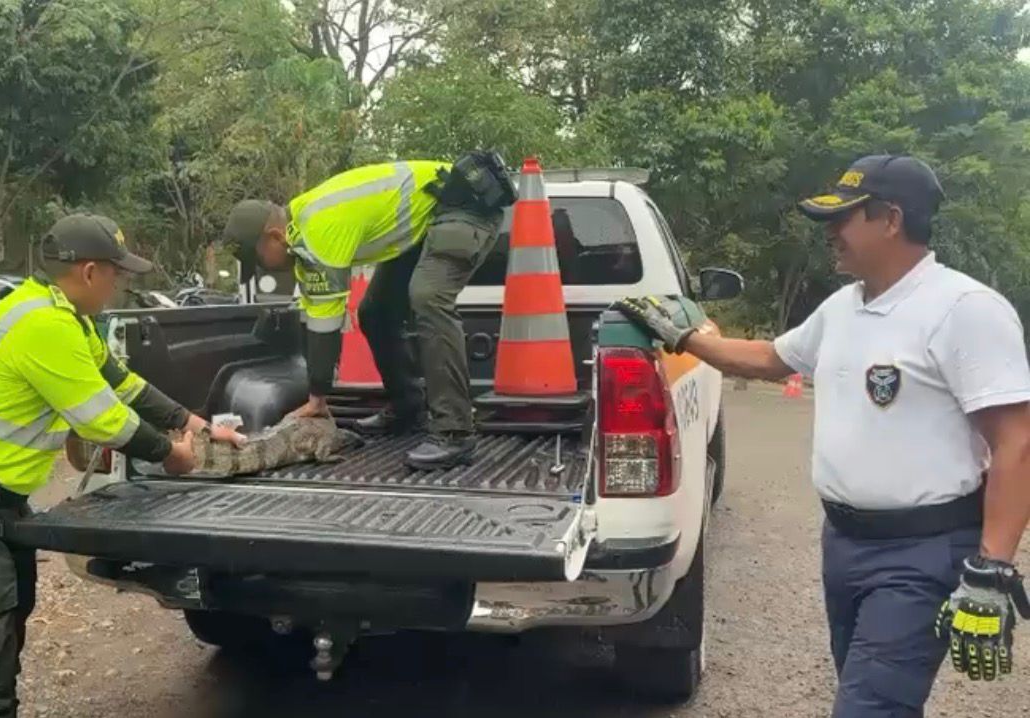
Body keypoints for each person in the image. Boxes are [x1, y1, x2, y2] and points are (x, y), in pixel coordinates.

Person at [613, 155, 1030, 717]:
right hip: (846, 544)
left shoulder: (965, 311)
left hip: (923, 553)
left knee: (868, 707)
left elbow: (1017, 443)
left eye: (845, 219)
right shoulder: (844, 307)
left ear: (890, 219)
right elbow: (769, 358)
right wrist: (685, 336)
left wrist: (992, 570)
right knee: (871, 695)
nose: (831, 233)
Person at [0, 213, 245, 718]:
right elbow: (104, 421)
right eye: (118, 275)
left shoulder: (67, 317)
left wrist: (199, 424)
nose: (120, 285)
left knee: (0, 645)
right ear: (90, 272)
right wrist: (172, 456)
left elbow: (124, 384)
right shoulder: (43, 325)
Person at [223, 154, 514, 469]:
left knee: (429, 298)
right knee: (375, 312)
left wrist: (317, 400)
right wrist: (316, 395)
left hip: (463, 206)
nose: (265, 267)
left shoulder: (320, 229)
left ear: (275, 238)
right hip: (422, 225)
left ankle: (455, 432)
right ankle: (407, 407)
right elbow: (315, 320)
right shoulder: (300, 239)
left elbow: (326, 326)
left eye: (261, 259)